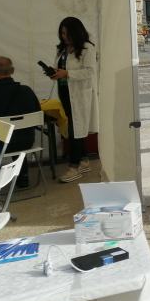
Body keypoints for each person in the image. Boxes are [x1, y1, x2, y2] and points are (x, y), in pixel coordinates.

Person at [51, 17, 99, 184]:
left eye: (67, 33)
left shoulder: (87, 48)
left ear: (76, 32)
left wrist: (68, 74)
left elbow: (90, 72)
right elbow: (61, 68)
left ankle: (74, 166)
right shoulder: (63, 49)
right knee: (74, 125)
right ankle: (84, 160)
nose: (64, 36)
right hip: (65, 92)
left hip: (80, 94)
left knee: (75, 129)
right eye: (62, 33)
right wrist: (55, 73)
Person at [0, 56, 42, 187]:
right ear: (13, 70)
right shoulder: (26, 91)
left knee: (3, 135)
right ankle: (23, 178)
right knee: (17, 133)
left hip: (0, 145)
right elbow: (38, 113)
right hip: (26, 141)